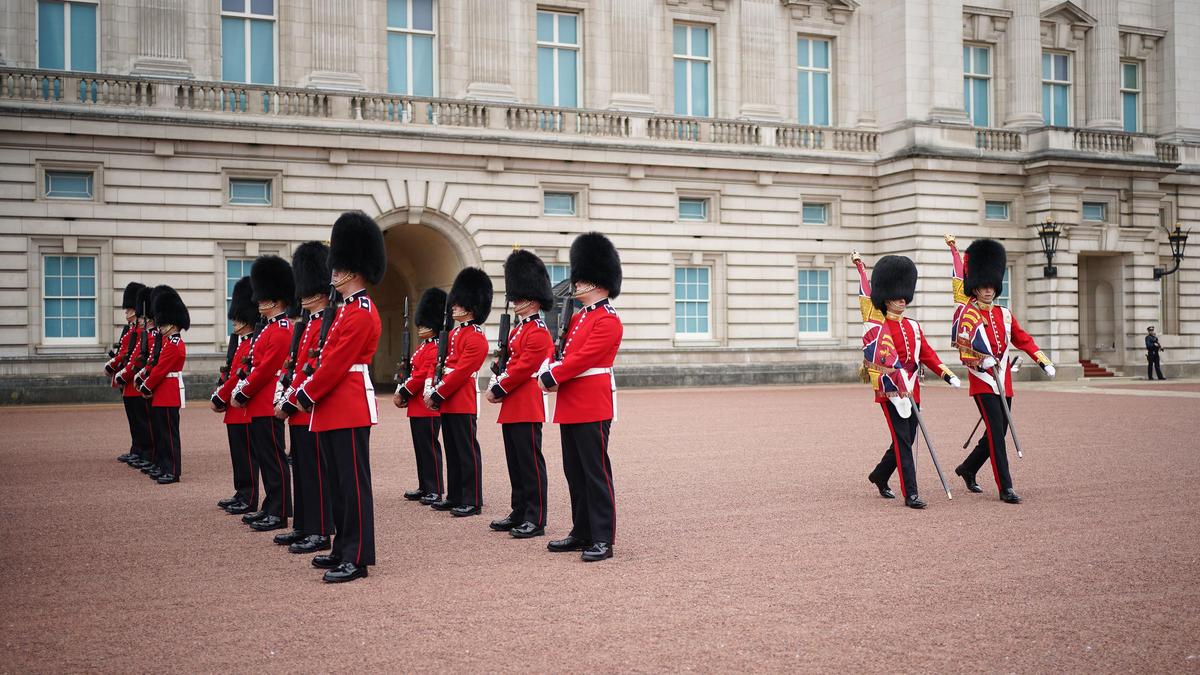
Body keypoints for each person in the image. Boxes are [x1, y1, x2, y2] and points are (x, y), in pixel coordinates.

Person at [282, 211, 386, 583]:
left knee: (352, 484)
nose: (333, 273)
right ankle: (342, 547)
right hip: (331, 405)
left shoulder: (360, 312)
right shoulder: (342, 312)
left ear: (354, 270)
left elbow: (336, 364)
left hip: (348, 403)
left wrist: (301, 396)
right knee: (337, 484)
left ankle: (356, 557)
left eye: (339, 267)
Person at [946, 236, 1056, 504]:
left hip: (1004, 380)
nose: (987, 291)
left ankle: (968, 468)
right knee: (997, 433)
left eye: (991, 287)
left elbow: (1022, 338)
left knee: (997, 432)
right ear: (975, 287)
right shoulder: (968, 314)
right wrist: (978, 361)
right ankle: (1005, 486)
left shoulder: (1003, 313)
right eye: (982, 287)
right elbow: (963, 347)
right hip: (983, 381)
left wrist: (1042, 360)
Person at [538, 232, 623, 562]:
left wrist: (553, 374)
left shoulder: (607, 319)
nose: (576, 285)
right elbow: (563, 352)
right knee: (574, 471)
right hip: (570, 402)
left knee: (595, 472)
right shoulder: (577, 317)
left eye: (582, 279)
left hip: (591, 401)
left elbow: (583, 358)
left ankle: (603, 537)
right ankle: (582, 530)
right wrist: (550, 364)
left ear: (598, 282)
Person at [853, 253, 961, 509]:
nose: (902, 301)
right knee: (903, 440)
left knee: (908, 438)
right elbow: (877, 358)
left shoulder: (912, 326)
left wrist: (947, 374)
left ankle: (880, 475)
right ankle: (910, 492)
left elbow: (927, 354)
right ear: (886, 299)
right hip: (890, 391)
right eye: (896, 297)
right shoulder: (877, 326)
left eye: (904, 297)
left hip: (912, 388)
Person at [486, 249, 555, 538]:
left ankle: (535, 517)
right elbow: (511, 362)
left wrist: (499, 386)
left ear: (533, 298)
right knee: (515, 461)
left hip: (526, 402)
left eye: (519, 296)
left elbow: (524, 367)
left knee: (529, 462)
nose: (515, 301)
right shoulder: (518, 330)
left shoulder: (538, 331)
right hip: (514, 403)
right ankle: (519, 510)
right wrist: (498, 371)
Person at [274, 241, 334, 554]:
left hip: (312, 406)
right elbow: (296, 363)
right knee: (302, 469)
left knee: (316, 472)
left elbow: (319, 364)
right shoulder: (308, 323)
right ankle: (303, 524)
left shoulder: (327, 320)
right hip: (298, 405)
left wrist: (295, 396)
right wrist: (285, 390)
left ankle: (321, 529)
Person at [232, 255, 294, 531]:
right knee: (265, 456)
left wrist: (244, 390)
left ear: (275, 299)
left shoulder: (281, 329)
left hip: (268, 400)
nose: (258, 302)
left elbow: (267, 368)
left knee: (273, 457)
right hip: (258, 402)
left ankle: (279, 510)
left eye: (262, 297)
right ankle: (271, 504)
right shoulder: (266, 328)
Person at [425, 267, 492, 518]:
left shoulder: (475, 337)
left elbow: (462, 371)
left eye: (458, 303)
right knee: (452, 449)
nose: (453, 306)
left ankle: (472, 498)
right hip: (448, 399)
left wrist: (438, 392)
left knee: (466, 451)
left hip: (461, 400)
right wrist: (431, 387)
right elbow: (438, 363)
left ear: (471, 306)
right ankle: (454, 495)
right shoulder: (453, 334)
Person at [394, 287, 448, 506]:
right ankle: (424, 485)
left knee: (429, 447)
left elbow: (421, 376)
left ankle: (435, 488)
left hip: (427, 405)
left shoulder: (435, 347)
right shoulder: (422, 347)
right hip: (416, 406)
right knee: (420, 447)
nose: (421, 327)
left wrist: (403, 391)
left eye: (425, 323)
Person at [212, 277, 260, 515]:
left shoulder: (252, 343)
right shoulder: (240, 343)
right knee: (238, 455)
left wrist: (221, 395)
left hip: (243, 406)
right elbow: (230, 371)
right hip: (234, 408)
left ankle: (249, 496)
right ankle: (241, 492)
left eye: (239, 316)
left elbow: (240, 376)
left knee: (247, 455)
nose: (234, 321)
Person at [138, 286, 189, 484]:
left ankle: (173, 470)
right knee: (161, 434)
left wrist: (146, 386)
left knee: (169, 435)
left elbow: (160, 370)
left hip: (168, 392)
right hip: (162, 392)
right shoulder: (167, 342)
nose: (160, 327)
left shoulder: (175, 345)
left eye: (164, 323)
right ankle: (164, 466)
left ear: (173, 324)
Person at [109, 281, 146, 464]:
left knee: (140, 420)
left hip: (134, 380)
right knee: (134, 420)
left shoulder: (140, 331)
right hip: (127, 379)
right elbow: (123, 353)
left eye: (129, 309)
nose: (126, 313)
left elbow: (136, 356)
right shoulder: (130, 330)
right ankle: (136, 448)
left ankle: (142, 451)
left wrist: (123, 371)